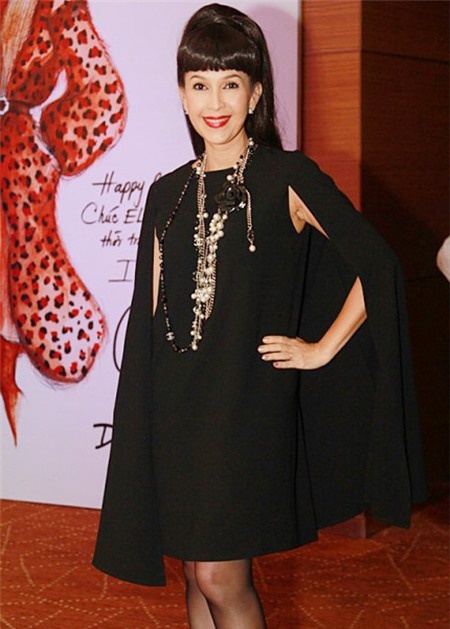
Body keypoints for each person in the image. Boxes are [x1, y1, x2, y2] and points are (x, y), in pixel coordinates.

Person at [93, 4, 427, 627]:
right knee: (194, 572)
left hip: (245, 412)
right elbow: (151, 318)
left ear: (255, 93)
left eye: (230, 84)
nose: (214, 102)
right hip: (178, 409)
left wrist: (320, 349)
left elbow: (377, 266)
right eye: (199, 85)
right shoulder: (166, 193)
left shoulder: (287, 177)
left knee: (220, 575)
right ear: (181, 94)